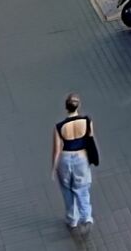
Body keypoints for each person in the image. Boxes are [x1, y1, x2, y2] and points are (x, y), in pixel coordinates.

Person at [52, 93, 98, 228]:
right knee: (82, 188)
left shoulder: (59, 127)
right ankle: (86, 216)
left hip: (65, 159)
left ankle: (72, 219)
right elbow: (90, 140)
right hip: (81, 158)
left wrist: (54, 167)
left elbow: (56, 150)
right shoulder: (87, 121)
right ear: (78, 105)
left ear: (66, 107)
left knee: (67, 189)